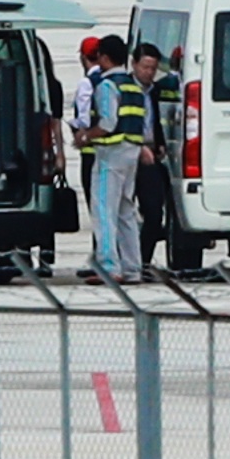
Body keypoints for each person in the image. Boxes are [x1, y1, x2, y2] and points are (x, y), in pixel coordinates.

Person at [83, 35, 146, 285]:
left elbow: (107, 124)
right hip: (131, 152)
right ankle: (132, 267)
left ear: (105, 58)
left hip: (110, 153)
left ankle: (110, 266)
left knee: (103, 211)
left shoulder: (107, 86)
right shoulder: (134, 86)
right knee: (126, 212)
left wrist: (85, 136)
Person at [131, 41, 180, 270]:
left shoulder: (155, 91)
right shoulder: (124, 89)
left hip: (151, 155)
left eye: (153, 68)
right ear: (134, 65)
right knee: (120, 212)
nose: (149, 73)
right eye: (145, 67)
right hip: (129, 152)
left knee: (154, 212)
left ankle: (143, 260)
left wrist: (159, 145)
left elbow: (156, 122)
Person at [69, 36, 102, 278]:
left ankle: (100, 257)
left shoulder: (87, 83)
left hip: (91, 153)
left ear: (83, 57)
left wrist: (76, 129)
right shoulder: (113, 78)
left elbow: (83, 119)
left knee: (97, 208)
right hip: (114, 152)